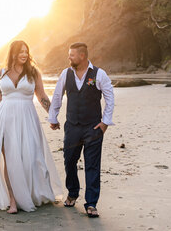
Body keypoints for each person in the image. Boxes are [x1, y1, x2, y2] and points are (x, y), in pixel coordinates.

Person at [0, 40, 62, 213]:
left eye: (26, 51)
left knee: (32, 157)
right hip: (5, 119)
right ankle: (12, 200)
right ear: (12, 53)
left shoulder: (33, 72)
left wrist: (52, 116)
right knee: (9, 160)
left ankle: (31, 193)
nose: (24, 55)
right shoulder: (2, 74)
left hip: (27, 119)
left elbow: (41, 96)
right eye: (21, 52)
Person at [48, 42, 115, 218]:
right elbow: (57, 95)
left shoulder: (99, 74)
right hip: (72, 127)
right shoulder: (66, 74)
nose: (69, 57)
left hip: (93, 128)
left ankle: (91, 203)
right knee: (69, 160)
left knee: (92, 165)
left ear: (82, 56)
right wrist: (53, 117)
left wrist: (105, 122)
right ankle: (72, 192)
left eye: (72, 55)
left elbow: (110, 98)